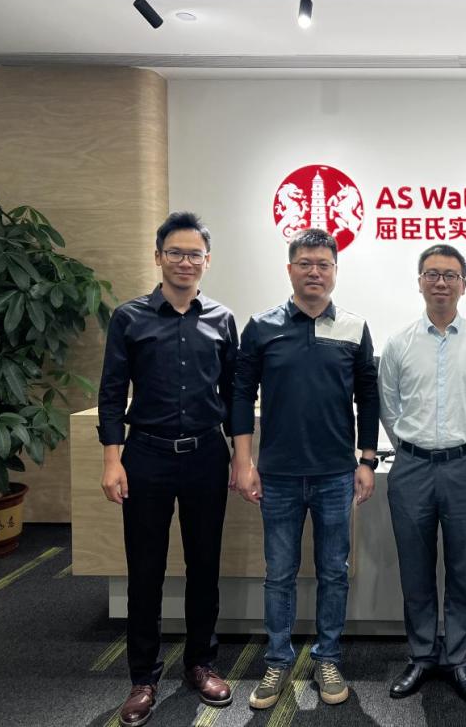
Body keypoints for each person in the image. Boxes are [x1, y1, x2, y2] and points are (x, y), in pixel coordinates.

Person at [98, 212, 237, 727]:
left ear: (207, 260)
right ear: (158, 256)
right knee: (145, 570)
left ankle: (201, 664)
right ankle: (143, 678)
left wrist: (240, 456)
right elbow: (112, 393)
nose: (185, 261)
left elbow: (234, 394)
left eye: (194, 254)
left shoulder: (222, 319)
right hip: (147, 456)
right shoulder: (129, 317)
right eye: (175, 252)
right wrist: (112, 460)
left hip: (205, 455)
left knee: (204, 564)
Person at [232, 228, 379, 709]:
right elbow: (240, 395)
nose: (314, 272)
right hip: (278, 474)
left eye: (324, 264)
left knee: (334, 571)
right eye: (305, 263)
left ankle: (327, 657)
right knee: (279, 573)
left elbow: (368, 397)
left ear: (335, 271)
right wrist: (243, 460)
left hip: (336, 473)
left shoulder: (354, 327)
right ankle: (277, 660)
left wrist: (367, 459)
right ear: (290, 269)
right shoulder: (262, 326)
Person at [379, 244, 466, 705]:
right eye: (432, 274)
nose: (441, 282)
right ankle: (422, 655)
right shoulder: (399, 343)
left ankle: (458, 659)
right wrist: (413, 448)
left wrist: (464, 448)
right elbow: (389, 408)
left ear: (464, 285)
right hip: (411, 466)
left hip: (465, 467)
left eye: (450, 275)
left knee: (464, 568)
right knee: (415, 568)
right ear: (420, 282)